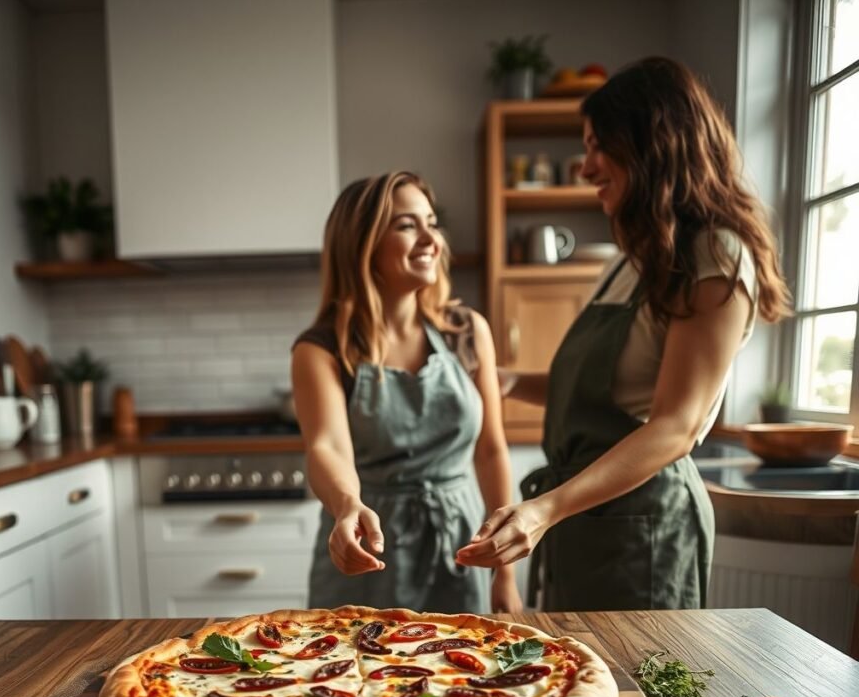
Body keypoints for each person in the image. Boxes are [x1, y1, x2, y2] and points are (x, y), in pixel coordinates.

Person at [456, 57, 792, 611]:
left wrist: (546, 508)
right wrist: (508, 379)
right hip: (585, 520)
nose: (585, 167)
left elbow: (677, 425)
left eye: (597, 146)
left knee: (643, 670)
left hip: (643, 527)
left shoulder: (715, 255)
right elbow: (604, 389)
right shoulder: (629, 263)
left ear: (651, 144)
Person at [291, 171, 521, 615]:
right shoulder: (322, 349)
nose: (431, 240)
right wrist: (346, 505)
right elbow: (326, 447)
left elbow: (491, 450)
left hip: (461, 547)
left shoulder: (467, 331)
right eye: (406, 225)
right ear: (363, 245)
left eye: (432, 223)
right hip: (369, 547)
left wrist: (505, 572)